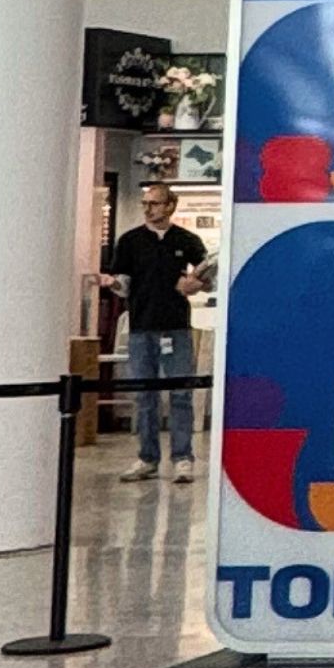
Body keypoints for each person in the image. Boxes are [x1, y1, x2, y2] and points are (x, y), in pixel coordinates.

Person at [102, 184, 209, 483]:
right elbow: (123, 284)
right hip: (142, 327)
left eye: (155, 203)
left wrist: (196, 284)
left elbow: (207, 273)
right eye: (145, 203)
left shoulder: (186, 240)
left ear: (170, 206)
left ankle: (183, 457)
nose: (148, 209)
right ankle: (147, 457)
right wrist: (112, 284)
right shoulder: (130, 241)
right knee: (144, 395)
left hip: (176, 326)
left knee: (181, 393)